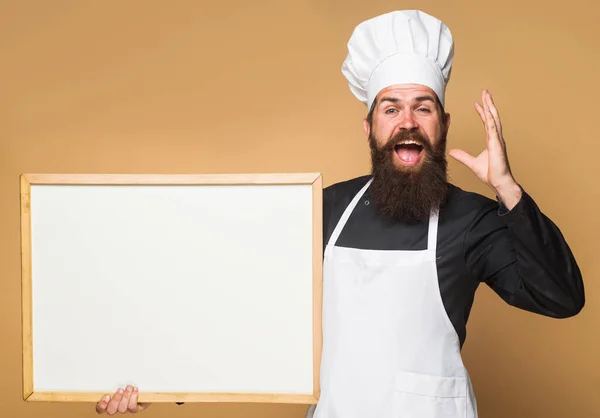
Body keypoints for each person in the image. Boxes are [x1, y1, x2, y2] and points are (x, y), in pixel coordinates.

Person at [95, 9, 585, 417]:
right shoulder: (324, 208)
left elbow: (562, 298)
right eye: (390, 108)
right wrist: (152, 382)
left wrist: (506, 186)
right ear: (369, 126)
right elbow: (247, 314)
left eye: (423, 107)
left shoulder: (472, 219)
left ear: (444, 123)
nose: (407, 123)